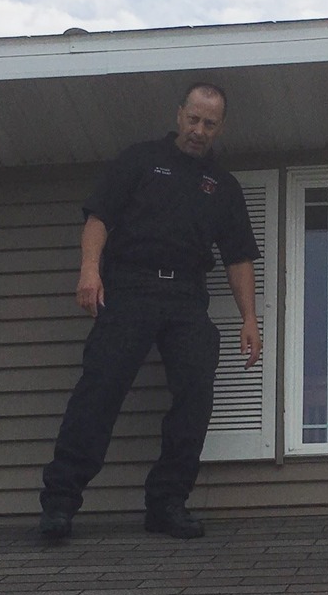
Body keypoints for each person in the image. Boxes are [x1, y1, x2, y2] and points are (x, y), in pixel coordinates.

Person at [39, 82, 261, 540]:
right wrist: (89, 272)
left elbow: (238, 257)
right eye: (194, 119)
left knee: (195, 397)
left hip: (186, 298)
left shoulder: (223, 186)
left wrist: (249, 318)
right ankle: (60, 503)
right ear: (179, 115)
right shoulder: (139, 160)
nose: (199, 130)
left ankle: (167, 503)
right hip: (130, 289)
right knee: (99, 390)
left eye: (210, 124)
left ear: (221, 128)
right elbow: (98, 217)